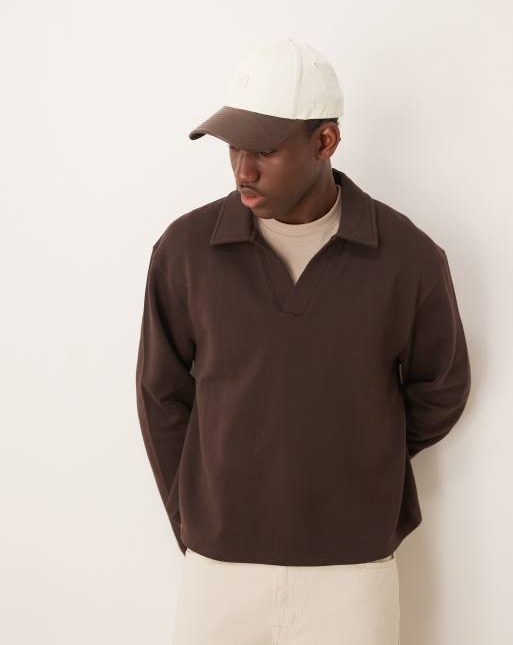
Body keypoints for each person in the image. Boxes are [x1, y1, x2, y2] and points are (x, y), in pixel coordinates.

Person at [135, 38, 471, 645]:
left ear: (325, 141)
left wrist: (358, 456)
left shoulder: (408, 258)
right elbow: (161, 394)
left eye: (264, 150)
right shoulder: (185, 251)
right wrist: (195, 513)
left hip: (353, 573)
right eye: (233, 147)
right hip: (218, 570)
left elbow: (440, 389)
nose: (243, 169)